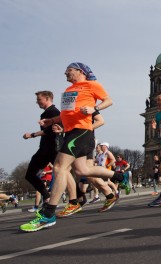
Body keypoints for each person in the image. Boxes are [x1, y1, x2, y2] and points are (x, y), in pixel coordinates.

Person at [20, 62, 124, 232]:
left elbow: (109, 100)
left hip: (81, 131)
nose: (65, 73)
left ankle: (48, 214)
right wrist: (52, 121)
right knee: (83, 171)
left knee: (60, 168)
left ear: (80, 71)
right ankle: (118, 176)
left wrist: (94, 108)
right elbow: (66, 113)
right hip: (70, 132)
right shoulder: (68, 91)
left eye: (68, 70)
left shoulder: (91, 84)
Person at [22, 91, 60, 211]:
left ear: (47, 98)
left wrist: (31, 134)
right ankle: (47, 197)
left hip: (52, 149)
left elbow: (49, 131)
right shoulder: (47, 113)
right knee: (30, 175)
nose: (37, 102)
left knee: (63, 173)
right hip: (45, 149)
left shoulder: (53, 112)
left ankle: (76, 198)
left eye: (39, 99)